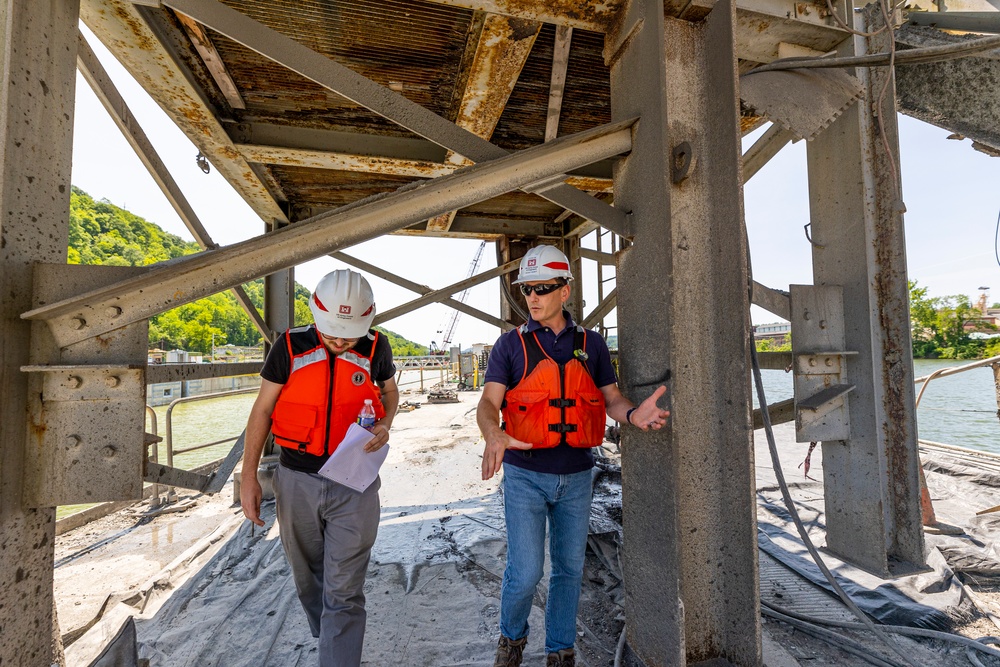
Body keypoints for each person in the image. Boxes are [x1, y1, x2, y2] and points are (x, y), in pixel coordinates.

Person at [477, 245, 669, 667]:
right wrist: (493, 432)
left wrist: (635, 415)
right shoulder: (510, 346)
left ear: (566, 291)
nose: (533, 297)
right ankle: (511, 640)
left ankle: (560, 651)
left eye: (543, 288)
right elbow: (489, 403)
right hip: (525, 476)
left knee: (568, 570)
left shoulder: (592, 345)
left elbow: (612, 399)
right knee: (526, 572)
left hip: (578, 476)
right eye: (528, 289)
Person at [240, 269, 399, 667]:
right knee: (308, 577)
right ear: (316, 315)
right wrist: (248, 477)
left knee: (344, 590)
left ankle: (337, 651)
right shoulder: (289, 348)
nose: (342, 341)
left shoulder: (377, 347)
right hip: (296, 480)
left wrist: (385, 423)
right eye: (333, 334)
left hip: (355, 482)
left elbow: (390, 392)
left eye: (350, 335)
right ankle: (329, 631)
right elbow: (262, 410)